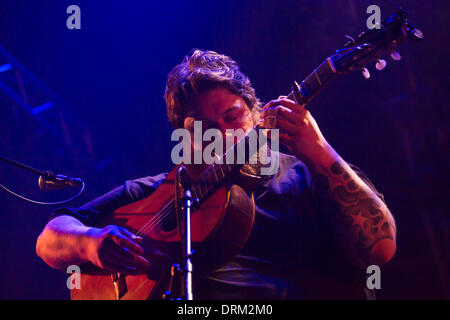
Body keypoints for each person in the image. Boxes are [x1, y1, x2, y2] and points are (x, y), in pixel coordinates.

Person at [36, 49, 397, 299]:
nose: (223, 135)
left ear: (257, 114)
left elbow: (380, 248)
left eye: (232, 117)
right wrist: (92, 243)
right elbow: (50, 237)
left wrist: (318, 149)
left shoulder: (307, 177)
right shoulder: (158, 192)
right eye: (204, 127)